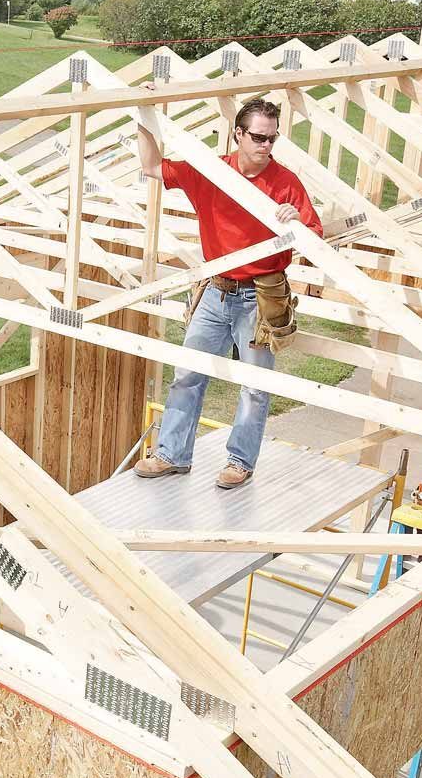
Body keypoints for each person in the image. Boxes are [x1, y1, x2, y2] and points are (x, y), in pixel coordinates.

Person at [133, 97, 324, 490]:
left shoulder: (285, 182)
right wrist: (144, 114)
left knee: (255, 387)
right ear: (238, 134)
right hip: (216, 293)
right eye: (258, 137)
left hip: (259, 297)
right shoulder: (212, 172)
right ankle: (171, 455)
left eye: (272, 138)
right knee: (187, 375)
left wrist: (298, 222)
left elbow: (316, 234)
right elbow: (152, 167)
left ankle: (240, 462)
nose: (266, 145)